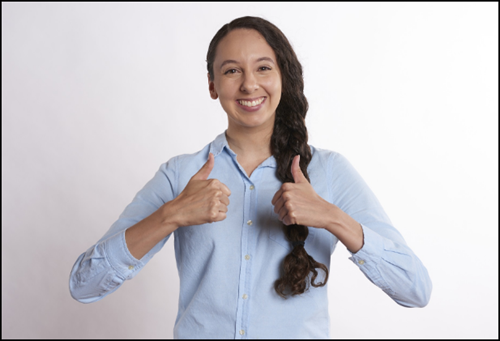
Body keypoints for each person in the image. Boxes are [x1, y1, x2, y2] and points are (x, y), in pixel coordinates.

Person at [69, 16, 432, 338]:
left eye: (262, 68)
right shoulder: (180, 175)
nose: (248, 85)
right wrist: (172, 214)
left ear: (282, 78)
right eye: (231, 71)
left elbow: (415, 289)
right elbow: (84, 285)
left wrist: (332, 217)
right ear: (212, 85)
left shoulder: (329, 171)